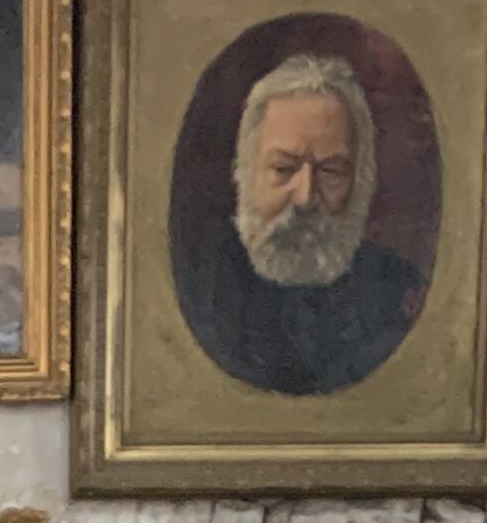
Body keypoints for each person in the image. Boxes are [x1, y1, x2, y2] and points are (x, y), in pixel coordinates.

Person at [176, 48, 424, 399]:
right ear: (245, 171)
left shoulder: (396, 291)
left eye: (331, 171)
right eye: (284, 169)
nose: (306, 197)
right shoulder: (198, 288)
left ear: (361, 180)